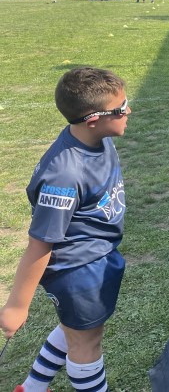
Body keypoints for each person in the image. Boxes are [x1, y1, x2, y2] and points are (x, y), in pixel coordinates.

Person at [0, 67, 131, 392]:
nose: (128, 111)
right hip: (78, 270)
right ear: (93, 119)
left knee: (76, 330)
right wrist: (17, 306)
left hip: (98, 255)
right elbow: (39, 245)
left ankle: (31, 388)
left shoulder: (97, 137)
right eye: (121, 108)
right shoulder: (64, 176)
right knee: (86, 344)